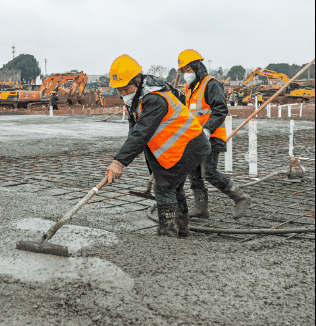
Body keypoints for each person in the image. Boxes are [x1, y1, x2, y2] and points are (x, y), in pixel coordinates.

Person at [105, 54, 210, 237]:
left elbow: (142, 132)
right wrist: (133, 148)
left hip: (188, 146)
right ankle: (182, 231)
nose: (122, 94)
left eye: (125, 88)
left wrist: (119, 162)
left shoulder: (154, 98)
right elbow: (135, 125)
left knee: (164, 187)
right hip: (184, 146)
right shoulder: (138, 95)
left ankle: (168, 234)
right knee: (174, 186)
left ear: (137, 80)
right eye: (119, 90)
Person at [177, 49, 251, 220]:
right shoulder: (190, 89)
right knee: (193, 173)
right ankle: (201, 207)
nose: (186, 74)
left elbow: (220, 109)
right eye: (183, 71)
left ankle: (241, 197)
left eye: (188, 70)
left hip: (211, 136)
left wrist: (208, 129)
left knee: (208, 172)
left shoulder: (211, 84)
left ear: (197, 67)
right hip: (194, 138)